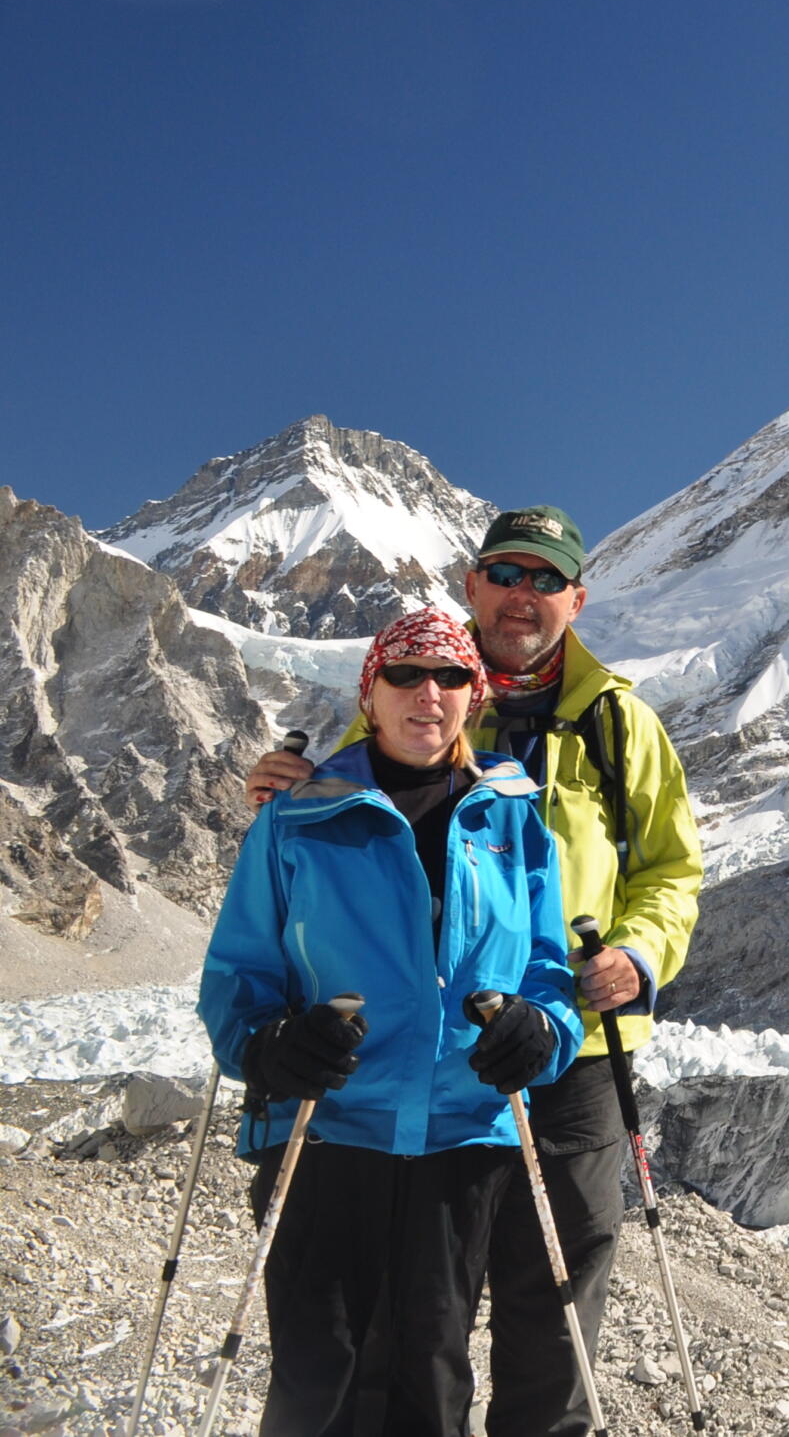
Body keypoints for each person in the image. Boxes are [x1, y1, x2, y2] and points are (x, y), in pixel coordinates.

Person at [250, 506, 704, 1437]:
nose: (522, 595)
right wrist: (289, 794)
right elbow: (351, 814)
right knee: (408, 1308)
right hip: (431, 1059)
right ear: (473, 585)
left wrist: (640, 954)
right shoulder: (429, 687)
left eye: (546, 579)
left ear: (577, 597)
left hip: (566, 1044)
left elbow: (672, 868)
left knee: (556, 1292)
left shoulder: (621, 726)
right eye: (506, 573)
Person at [202, 607, 581, 1435]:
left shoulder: (512, 819)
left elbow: (548, 969)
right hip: (326, 1124)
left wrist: (542, 1033)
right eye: (404, 674)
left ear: (473, 697)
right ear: (370, 692)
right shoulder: (297, 816)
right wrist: (267, 1049)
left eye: (450, 676)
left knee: (433, 1374)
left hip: (462, 1132)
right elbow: (240, 970)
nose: (428, 693)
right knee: (318, 1374)